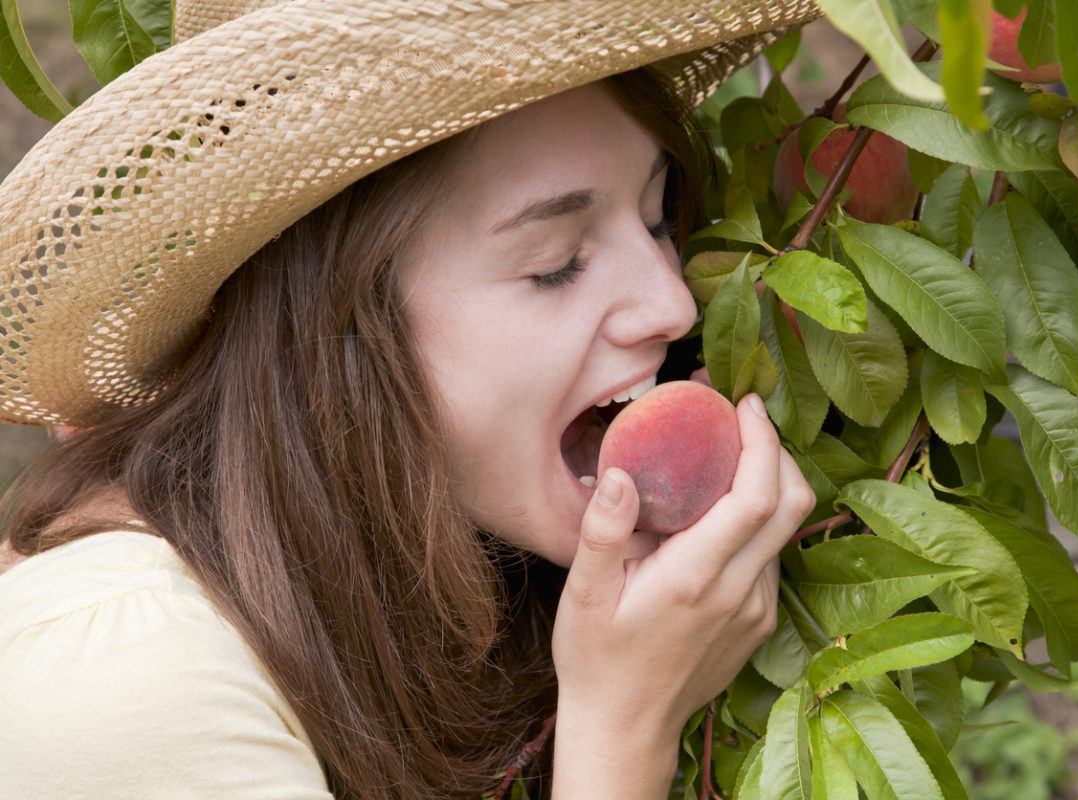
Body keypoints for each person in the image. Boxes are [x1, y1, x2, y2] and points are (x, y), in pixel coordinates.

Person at [0, 1, 818, 798]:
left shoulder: (454, 586)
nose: (674, 305)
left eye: (656, 217)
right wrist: (622, 728)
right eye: (556, 263)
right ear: (334, 333)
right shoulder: (123, 686)